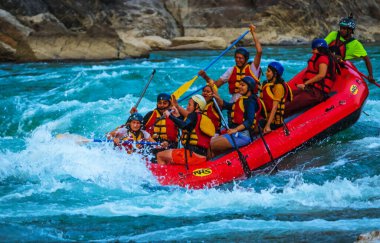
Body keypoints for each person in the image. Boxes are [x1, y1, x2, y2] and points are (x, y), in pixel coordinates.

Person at [198, 23, 262, 102]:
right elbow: (216, 85)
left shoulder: (253, 68)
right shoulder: (231, 70)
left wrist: (253, 32)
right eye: (236, 58)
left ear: (246, 59)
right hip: (234, 104)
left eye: (241, 58)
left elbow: (259, 51)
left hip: (249, 103)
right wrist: (205, 76)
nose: (238, 60)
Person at [156, 95, 215, 165]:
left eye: (190, 105)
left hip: (191, 156)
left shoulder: (193, 115)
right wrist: (177, 116)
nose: (187, 107)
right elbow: (188, 127)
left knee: (160, 155)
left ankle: (163, 175)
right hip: (202, 157)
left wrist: (169, 115)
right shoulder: (202, 118)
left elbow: (183, 125)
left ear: (197, 106)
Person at [285, 38, 337, 117]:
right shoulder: (319, 57)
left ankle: (274, 121)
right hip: (311, 89)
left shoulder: (323, 58)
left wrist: (305, 84)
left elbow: (321, 75)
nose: (312, 51)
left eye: (314, 49)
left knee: (290, 104)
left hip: (317, 93)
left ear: (320, 49)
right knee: (288, 96)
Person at [210, 76, 259, 157]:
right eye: (240, 84)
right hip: (236, 134)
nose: (239, 87)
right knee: (211, 142)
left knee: (212, 145)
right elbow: (228, 106)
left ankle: (211, 164)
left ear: (249, 88)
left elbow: (249, 121)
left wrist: (235, 130)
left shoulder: (250, 102)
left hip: (243, 136)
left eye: (242, 85)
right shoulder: (242, 99)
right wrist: (216, 97)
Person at [325, 14, 375, 83]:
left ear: (351, 31)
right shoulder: (334, 34)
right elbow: (321, 46)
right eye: (341, 28)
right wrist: (333, 56)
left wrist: (370, 75)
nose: (341, 30)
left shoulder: (356, 44)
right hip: (325, 61)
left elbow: (367, 59)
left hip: (337, 67)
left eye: (344, 29)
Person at [260, 61, 292, 133]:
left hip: (275, 123)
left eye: (268, 71)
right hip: (267, 119)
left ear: (275, 74)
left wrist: (267, 126)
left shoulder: (279, 87)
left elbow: (274, 107)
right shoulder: (269, 84)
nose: (266, 73)